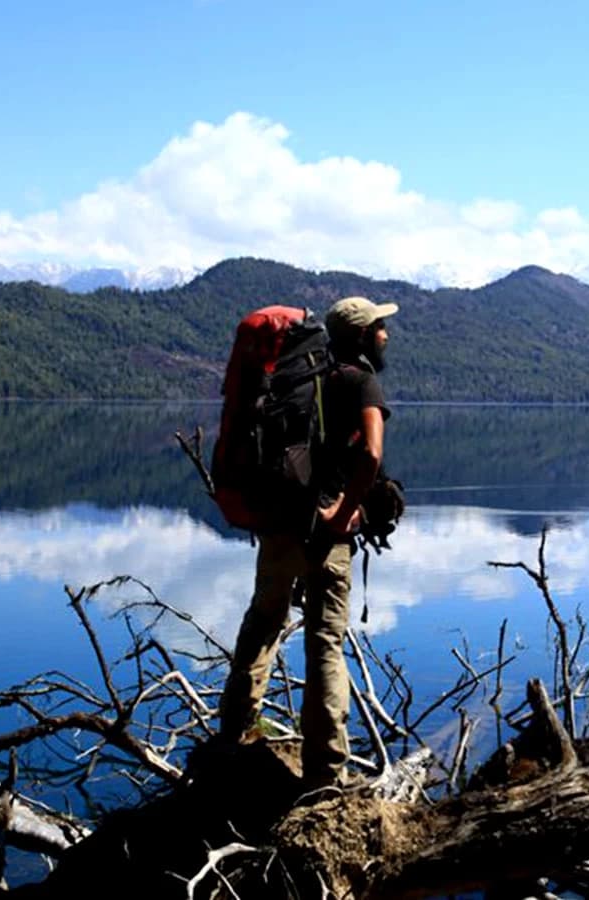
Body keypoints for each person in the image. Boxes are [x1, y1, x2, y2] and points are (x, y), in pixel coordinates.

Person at [217, 295, 397, 787]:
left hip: (278, 527)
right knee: (324, 646)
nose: (386, 335)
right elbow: (371, 455)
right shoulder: (360, 380)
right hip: (325, 534)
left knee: (261, 625)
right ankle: (324, 775)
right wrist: (343, 511)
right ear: (360, 335)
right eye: (380, 328)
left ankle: (232, 736)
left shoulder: (294, 376)